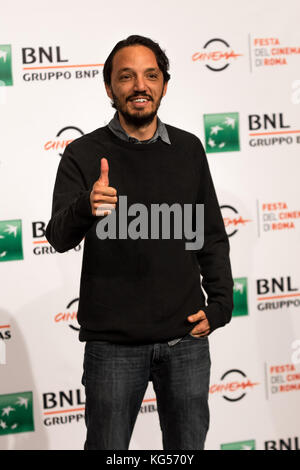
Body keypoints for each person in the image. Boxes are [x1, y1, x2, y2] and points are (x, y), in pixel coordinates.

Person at [46, 35, 234, 450]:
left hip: (185, 342)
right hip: (112, 348)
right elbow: (58, 237)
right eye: (126, 76)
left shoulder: (188, 149)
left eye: (151, 75)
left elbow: (211, 234)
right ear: (109, 87)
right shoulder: (83, 153)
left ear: (165, 84)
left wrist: (220, 304)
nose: (139, 86)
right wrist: (86, 206)